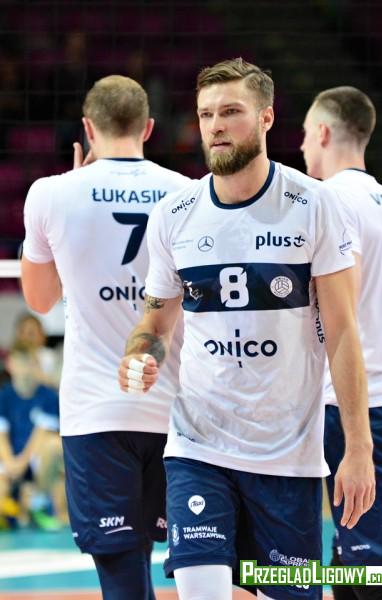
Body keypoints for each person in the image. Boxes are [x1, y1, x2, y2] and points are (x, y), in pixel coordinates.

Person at [118, 58, 375, 600]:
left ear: (266, 118)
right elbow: (156, 320)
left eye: (231, 112)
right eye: (206, 114)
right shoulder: (174, 214)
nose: (215, 126)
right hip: (198, 448)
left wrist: (358, 448)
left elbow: (344, 334)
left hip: (288, 457)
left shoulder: (315, 205)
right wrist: (141, 354)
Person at [21, 75, 191, 600]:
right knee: (199, 572)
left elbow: (40, 300)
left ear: (87, 129)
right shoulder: (188, 194)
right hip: (175, 410)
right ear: (149, 128)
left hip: (95, 412)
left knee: (122, 574)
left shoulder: (50, 194)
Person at [301, 86, 382, 599]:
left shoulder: (332, 199)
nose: (301, 146)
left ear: (322, 132)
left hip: (361, 405)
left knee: (373, 570)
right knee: (352, 557)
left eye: (304, 134)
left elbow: (341, 309)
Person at [0, 344, 64, 530]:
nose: (24, 369)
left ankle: (39, 501)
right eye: (19, 363)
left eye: (28, 363)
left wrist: (21, 462)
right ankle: (13, 509)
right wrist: (10, 462)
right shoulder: (4, 396)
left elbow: (40, 435)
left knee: (54, 444)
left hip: (37, 460)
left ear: (36, 364)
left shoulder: (48, 396)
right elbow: (1, 435)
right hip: (11, 459)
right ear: (10, 365)